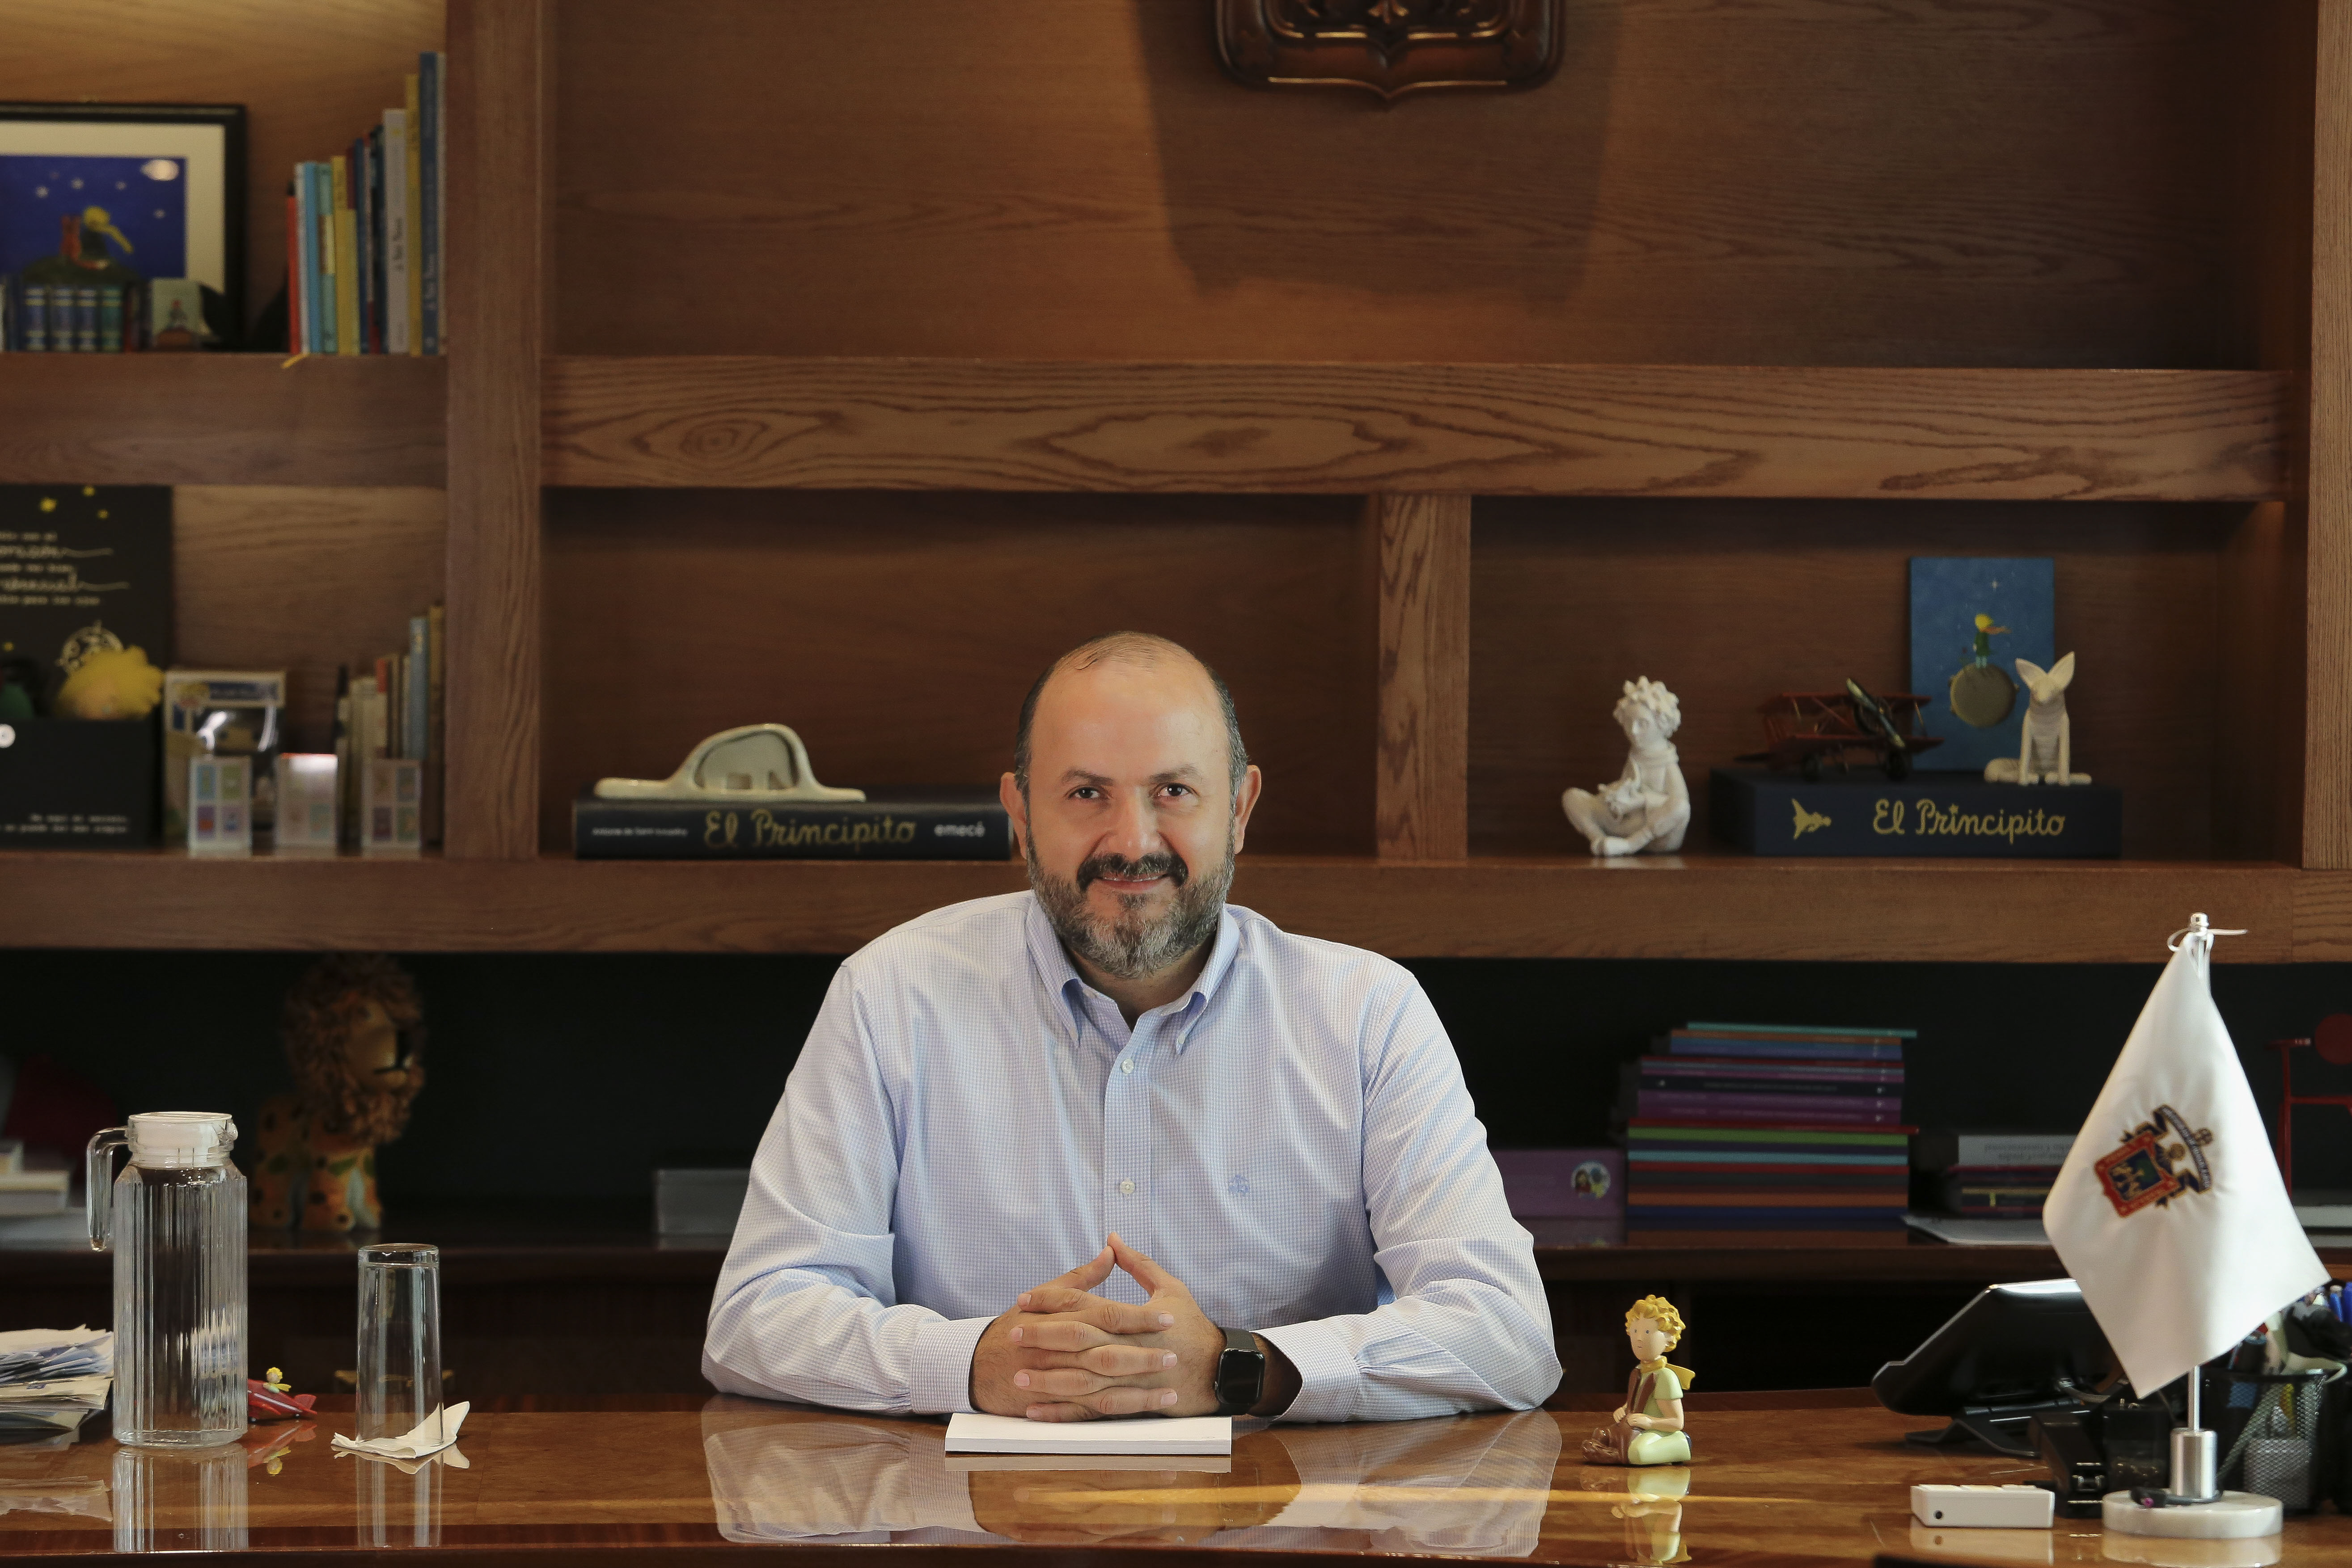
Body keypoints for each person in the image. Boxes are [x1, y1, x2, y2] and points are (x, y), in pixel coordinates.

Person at [702, 632, 1559, 1422]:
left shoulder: (1368, 1013)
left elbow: (1507, 1331)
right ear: (1020, 813)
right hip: (963, 1515)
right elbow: (756, 1317)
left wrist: (1237, 1366)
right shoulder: (891, 995)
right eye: (1087, 794)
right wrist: (970, 1363)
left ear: (1240, 807)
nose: (1132, 841)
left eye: (1173, 792)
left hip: (1274, 1514)